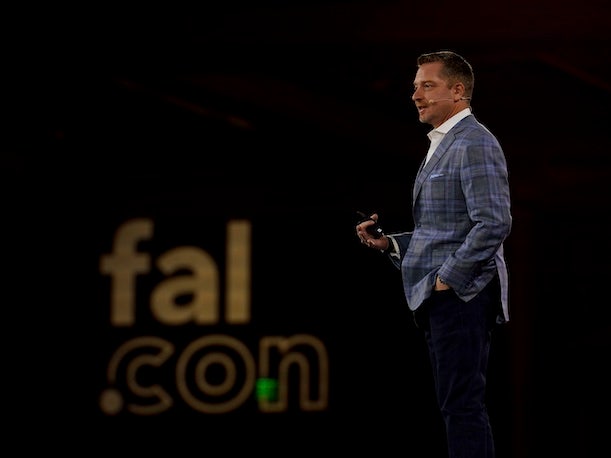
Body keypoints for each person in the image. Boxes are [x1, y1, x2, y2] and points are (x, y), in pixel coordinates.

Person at [356, 50, 512, 458]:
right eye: (415, 86)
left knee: (462, 406)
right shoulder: (444, 144)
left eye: (428, 85)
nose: (416, 95)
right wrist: (390, 243)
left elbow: (494, 222)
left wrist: (448, 278)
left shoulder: (475, 142)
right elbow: (443, 230)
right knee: (454, 405)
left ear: (458, 91)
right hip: (440, 294)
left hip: (462, 294)